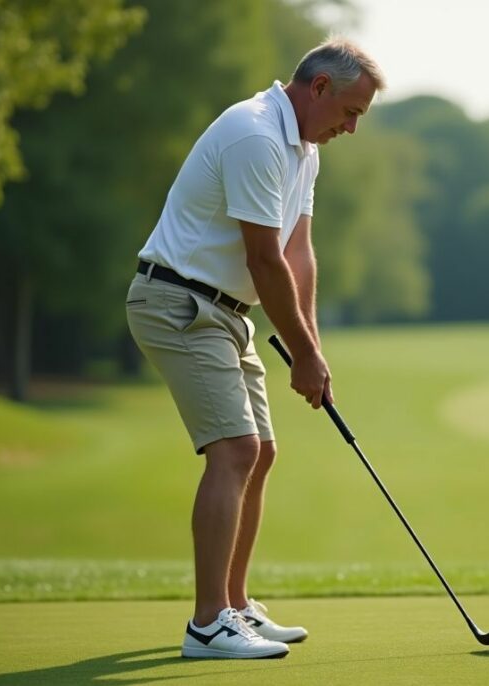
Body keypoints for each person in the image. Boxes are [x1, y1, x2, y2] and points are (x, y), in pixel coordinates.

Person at [125, 38, 385, 660]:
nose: (351, 128)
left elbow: (300, 254)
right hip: (179, 302)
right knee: (236, 449)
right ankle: (207, 623)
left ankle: (234, 607)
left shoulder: (304, 149)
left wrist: (311, 350)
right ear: (319, 87)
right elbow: (265, 261)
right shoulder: (256, 136)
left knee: (261, 452)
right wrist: (303, 354)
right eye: (351, 112)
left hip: (224, 311)